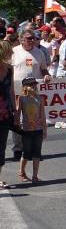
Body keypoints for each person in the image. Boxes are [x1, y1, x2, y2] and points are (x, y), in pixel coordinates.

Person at [12, 29, 51, 157]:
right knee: (18, 120)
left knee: (34, 119)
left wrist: (46, 75)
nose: (31, 41)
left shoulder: (39, 52)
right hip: (18, 92)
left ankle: (33, 148)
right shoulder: (14, 52)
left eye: (33, 38)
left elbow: (44, 69)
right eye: (28, 38)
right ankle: (18, 148)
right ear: (21, 39)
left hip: (33, 94)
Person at [16, 77, 47, 183]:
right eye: (30, 84)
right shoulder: (21, 98)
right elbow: (18, 112)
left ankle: (35, 176)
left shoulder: (40, 98)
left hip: (38, 129)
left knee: (37, 152)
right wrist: (17, 125)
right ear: (25, 87)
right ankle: (21, 171)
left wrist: (45, 129)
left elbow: (42, 114)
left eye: (35, 84)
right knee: (26, 152)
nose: (34, 86)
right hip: (26, 130)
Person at [0, 41, 16, 188]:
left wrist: (15, 110)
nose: (12, 53)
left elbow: (11, 91)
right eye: (9, 51)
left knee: (1, 146)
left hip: (4, 114)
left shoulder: (10, 69)